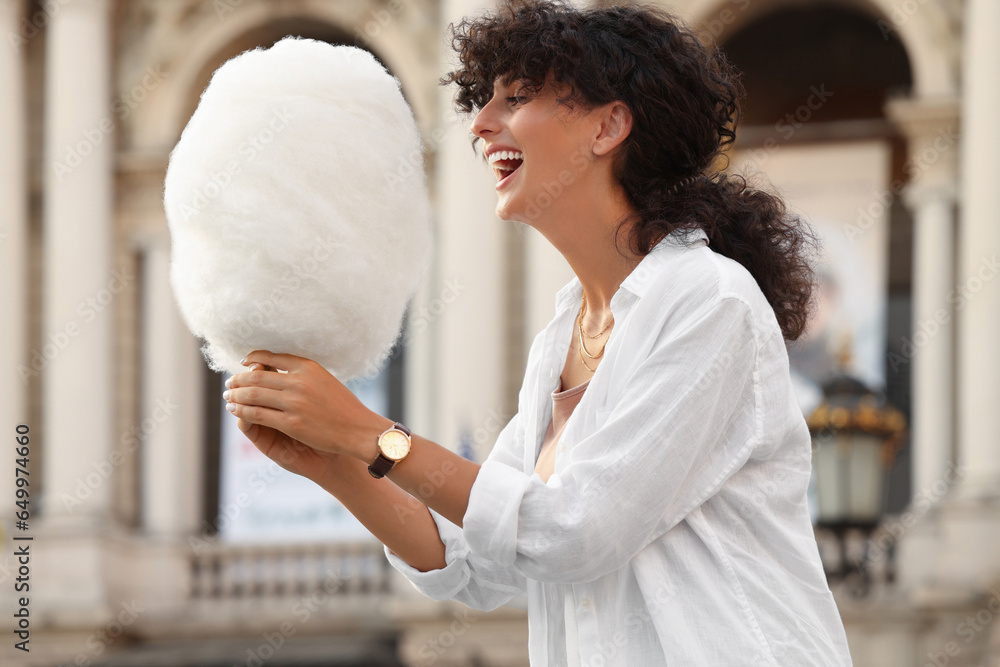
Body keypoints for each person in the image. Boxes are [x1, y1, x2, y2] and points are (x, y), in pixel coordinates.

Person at [223, 0, 854, 664]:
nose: (481, 125)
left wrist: (363, 430)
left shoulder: (708, 299)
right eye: (483, 102)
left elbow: (578, 529)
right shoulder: (561, 336)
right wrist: (337, 464)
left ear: (609, 124)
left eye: (516, 98)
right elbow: (471, 561)